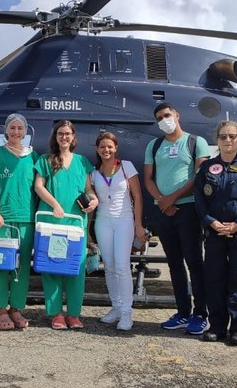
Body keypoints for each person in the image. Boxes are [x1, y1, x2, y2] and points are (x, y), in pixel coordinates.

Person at [194, 121, 237, 346]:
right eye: (223, 137)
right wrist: (211, 222)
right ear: (218, 140)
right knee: (214, 279)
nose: (227, 141)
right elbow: (200, 200)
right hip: (214, 233)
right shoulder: (207, 168)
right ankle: (216, 326)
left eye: (232, 136)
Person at [143, 102, 211, 335]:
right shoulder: (154, 145)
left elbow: (200, 176)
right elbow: (149, 179)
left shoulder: (195, 142)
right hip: (163, 211)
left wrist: (172, 198)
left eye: (167, 115)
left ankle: (201, 314)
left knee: (194, 261)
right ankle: (183, 311)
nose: (164, 120)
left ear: (177, 115)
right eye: (160, 118)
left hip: (188, 209)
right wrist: (163, 201)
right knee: (174, 263)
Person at [34, 120, 98, 330]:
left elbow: (88, 189)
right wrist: (55, 204)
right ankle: (55, 314)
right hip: (52, 220)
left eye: (68, 134)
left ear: (73, 137)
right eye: (60, 133)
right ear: (55, 136)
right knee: (52, 267)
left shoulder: (81, 162)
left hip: (76, 222)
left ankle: (73, 314)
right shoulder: (45, 160)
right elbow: (38, 186)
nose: (64, 137)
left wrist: (94, 199)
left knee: (75, 268)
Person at [0, 113, 39, 330]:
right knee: (0, 264)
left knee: (21, 266)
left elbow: (37, 188)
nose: (16, 132)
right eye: (12, 128)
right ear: (6, 130)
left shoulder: (33, 157)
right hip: (1, 219)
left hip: (26, 218)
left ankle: (16, 308)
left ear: (26, 132)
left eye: (20, 128)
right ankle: (0, 310)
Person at [91, 132, 145, 331]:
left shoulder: (126, 166)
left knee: (122, 266)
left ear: (116, 148)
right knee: (110, 267)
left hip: (124, 220)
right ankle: (115, 307)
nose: (106, 150)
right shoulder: (94, 172)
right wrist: (89, 230)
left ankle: (126, 312)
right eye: (102, 147)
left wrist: (138, 225)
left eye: (110, 147)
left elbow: (138, 197)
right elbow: (90, 199)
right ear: (97, 150)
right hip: (103, 221)